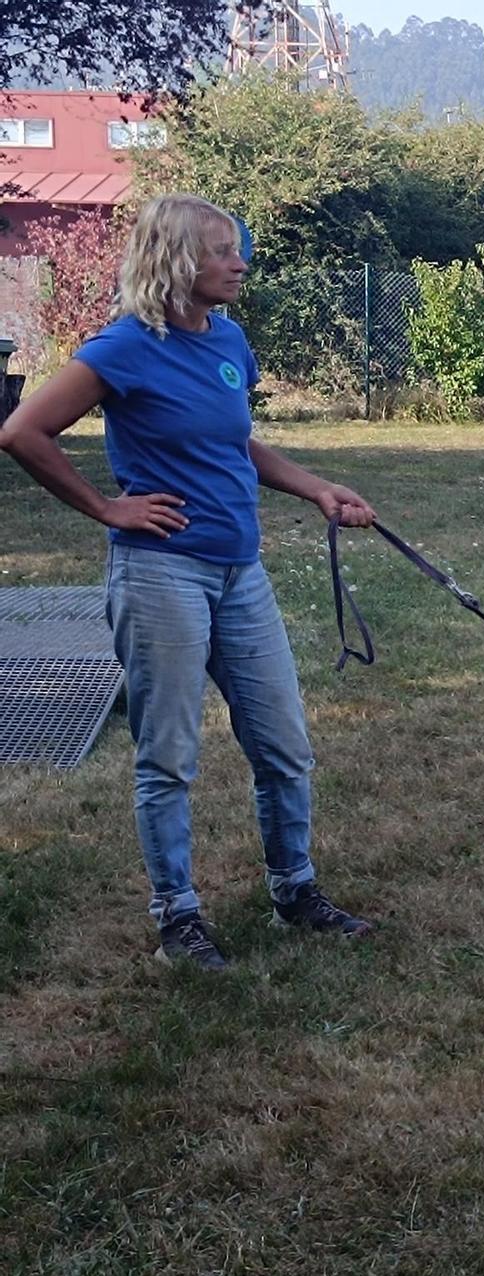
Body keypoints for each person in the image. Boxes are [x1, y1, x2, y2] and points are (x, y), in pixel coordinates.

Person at [0, 194, 377, 971]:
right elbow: (22, 431)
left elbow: (236, 444)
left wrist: (317, 489)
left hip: (240, 573)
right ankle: (177, 915)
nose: (238, 262)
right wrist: (109, 506)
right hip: (161, 574)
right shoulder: (123, 348)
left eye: (236, 248)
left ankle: (293, 890)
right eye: (220, 251)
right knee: (168, 755)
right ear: (175, 260)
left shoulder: (228, 339)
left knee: (283, 745)